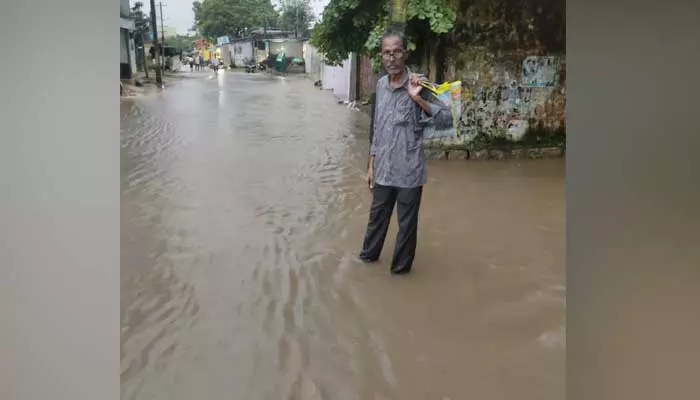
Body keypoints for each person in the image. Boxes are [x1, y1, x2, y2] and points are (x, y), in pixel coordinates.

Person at [358, 30, 453, 275]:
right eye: (387, 53)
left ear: (405, 54)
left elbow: (447, 120)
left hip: (409, 172)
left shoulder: (420, 84)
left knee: (406, 227)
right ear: (382, 56)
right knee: (376, 221)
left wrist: (417, 98)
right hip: (383, 170)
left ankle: (399, 274)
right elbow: (377, 127)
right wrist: (370, 165)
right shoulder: (380, 85)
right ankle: (366, 263)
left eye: (396, 51)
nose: (392, 58)